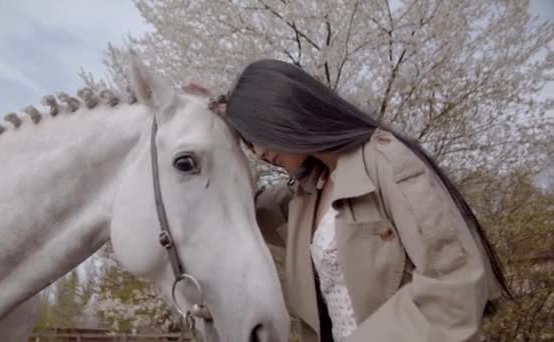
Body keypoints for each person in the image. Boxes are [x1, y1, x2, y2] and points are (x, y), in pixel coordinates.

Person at [194, 58, 510, 342]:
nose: (260, 153)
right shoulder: (307, 190)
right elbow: (238, 207)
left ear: (283, 111)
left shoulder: (386, 161)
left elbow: (455, 287)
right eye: (249, 143)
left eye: (258, 134)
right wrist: (206, 122)